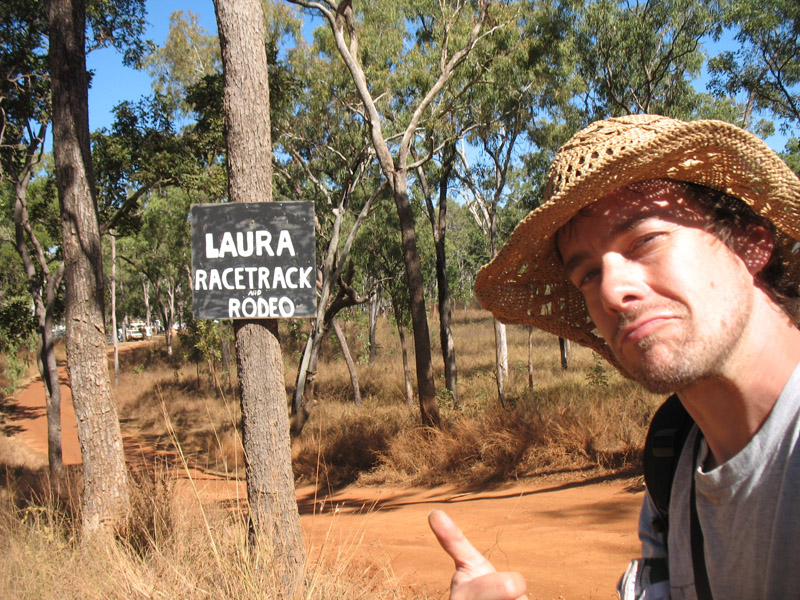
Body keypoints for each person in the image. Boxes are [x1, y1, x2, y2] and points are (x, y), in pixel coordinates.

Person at [428, 114, 800, 600]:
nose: (611, 291)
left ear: (750, 242)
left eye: (645, 241)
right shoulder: (674, 467)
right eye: (586, 275)